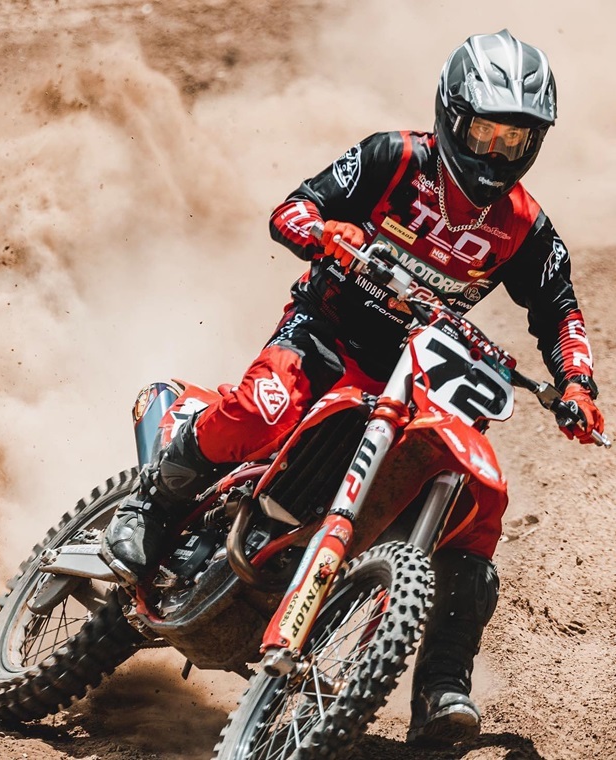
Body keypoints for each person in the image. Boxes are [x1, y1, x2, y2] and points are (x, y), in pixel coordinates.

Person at [101, 29, 605, 746]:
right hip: (324, 336)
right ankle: (152, 513)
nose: (497, 152)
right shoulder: (394, 158)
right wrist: (330, 237)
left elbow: (559, 310)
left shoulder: (524, 225)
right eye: (487, 131)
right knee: (259, 408)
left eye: (516, 138)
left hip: (419, 370)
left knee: (481, 496)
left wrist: (577, 381)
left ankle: (440, 689)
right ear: (452, 115)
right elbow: (291, 210)